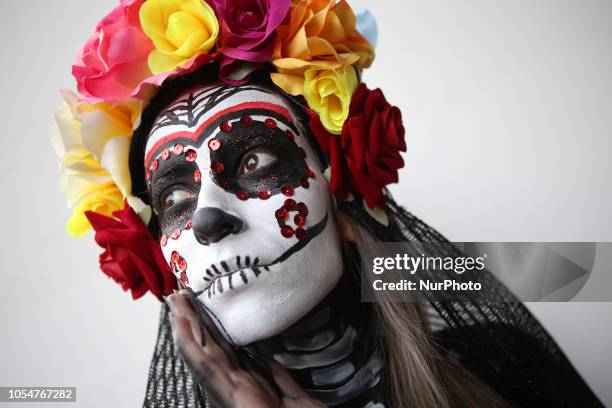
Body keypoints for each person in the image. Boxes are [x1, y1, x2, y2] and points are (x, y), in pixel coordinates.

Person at [52, 1, 603, 406]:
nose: (206, 221)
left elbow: (574, 273)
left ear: (334, 182)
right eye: (173, 195)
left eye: (254, 163)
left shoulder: (496, 359)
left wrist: (567, 269)